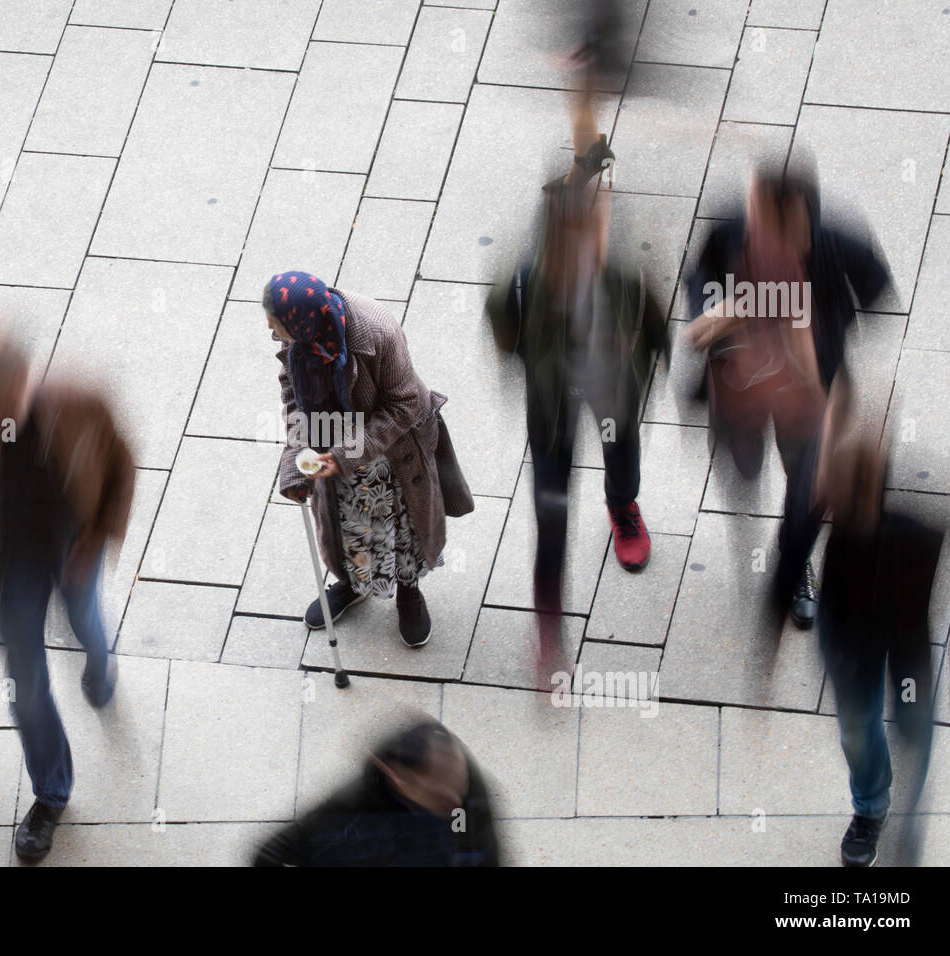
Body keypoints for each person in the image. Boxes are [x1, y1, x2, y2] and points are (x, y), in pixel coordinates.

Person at [0, 336, 135, 863]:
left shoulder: (77, 401)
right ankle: (51, 793)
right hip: (9, 565)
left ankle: (101, 671)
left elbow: (122, 466)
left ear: (20, 386)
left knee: (88, 625)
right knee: (25, 684)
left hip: (72, 549)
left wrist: (102, 533)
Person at [488, 66, 668, 678]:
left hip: (609, 389)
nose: (599, 233)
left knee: (621, 455)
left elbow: (592, 154)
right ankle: (549, 630)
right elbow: (501, 326)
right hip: (552, 401)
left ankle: (624, 508)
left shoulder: (622, 280)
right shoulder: (523, 280)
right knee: (551, 514)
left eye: (598, 228)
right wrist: (524, 363)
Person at [685, 163, 892, 629]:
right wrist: (726, 311)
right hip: (738, 385)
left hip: (806, 389)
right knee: (744, 466)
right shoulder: (729, 230)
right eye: (759, 222)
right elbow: (699, 288)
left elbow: (876, 290)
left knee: (804, 489)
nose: (765, 235)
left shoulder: (838, 243)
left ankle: (795, 563)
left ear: (806, 219)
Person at [268, 271, 473, 649]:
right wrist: (297, 455)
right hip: (335, 450)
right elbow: (292, 393)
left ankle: (408, 591)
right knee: (346, 526)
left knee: (403, 527)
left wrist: (347, 454)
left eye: (279, 325)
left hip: (391, 451)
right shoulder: (295, 336)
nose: (274, 332)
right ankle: (351, 584)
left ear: (306, 319)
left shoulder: (376, 332)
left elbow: (406, 403)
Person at [813, 378, 940, 867]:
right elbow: (785, 578)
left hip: (903, 639)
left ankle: (906, 816)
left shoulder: (916, 531)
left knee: (914, 724)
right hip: (848, 635)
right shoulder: (824, 518)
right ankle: (872, 810)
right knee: (857, 728)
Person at [252, 719, 499, 866]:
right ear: (397, 777)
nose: (457, 802)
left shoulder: (465, 798)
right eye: (441, 797)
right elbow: (269, 854)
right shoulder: (348, 810)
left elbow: (483, 853)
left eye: (460, 787)